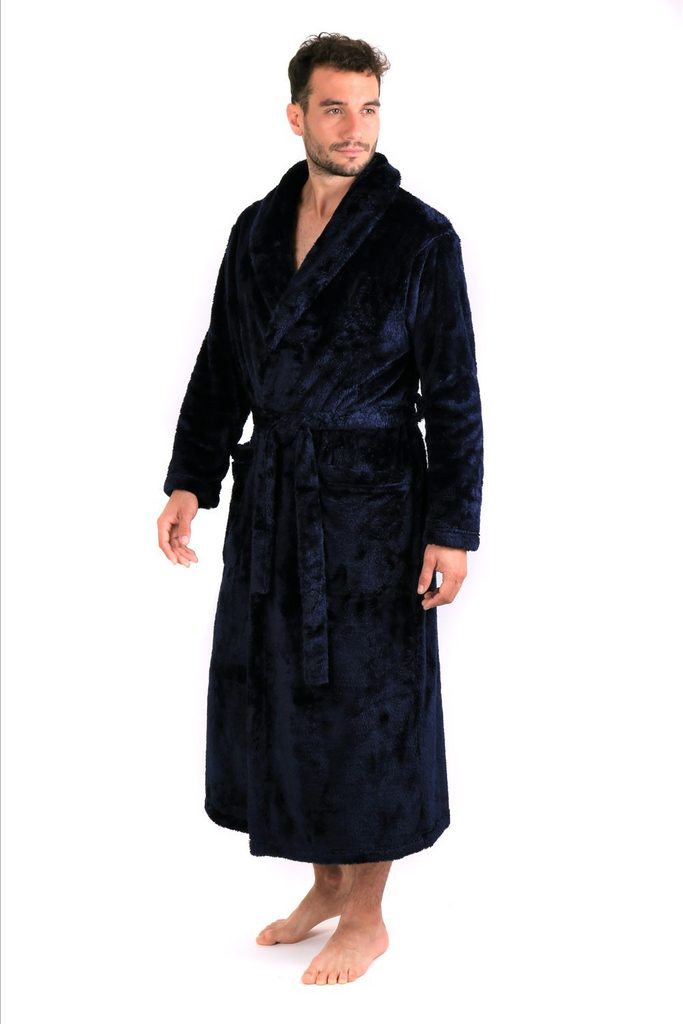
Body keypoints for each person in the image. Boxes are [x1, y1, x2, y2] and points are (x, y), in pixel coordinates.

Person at [157, 32, 484, 986]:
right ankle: (326, 885)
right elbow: (222, 364)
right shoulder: (257, 229)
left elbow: (453, 395)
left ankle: (368, 916)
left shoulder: (419, 237)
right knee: (288, 701)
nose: (354, 128)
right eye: (335, 108)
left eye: (368, 108)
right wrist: (190, 480)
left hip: (374, 510)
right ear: (296, 114)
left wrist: (451, 528)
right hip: (275, 502)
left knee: (368, 711)